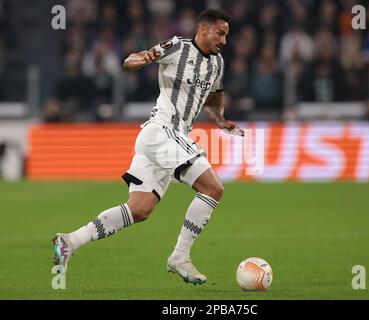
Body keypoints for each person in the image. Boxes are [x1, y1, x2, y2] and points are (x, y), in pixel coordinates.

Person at [52, 9, 244, 285]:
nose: (224, 39)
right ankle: (180, 256)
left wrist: (222, 120)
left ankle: (69, 241)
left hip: (162, 139)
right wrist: (142, 59)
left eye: (226, 34)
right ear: (203, 29)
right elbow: (132, 60)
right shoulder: (178, 46)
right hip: (163, 131)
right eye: (220, 33)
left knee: (139, 209)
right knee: (213, 189)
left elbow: (213, 99)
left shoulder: (217, 64)